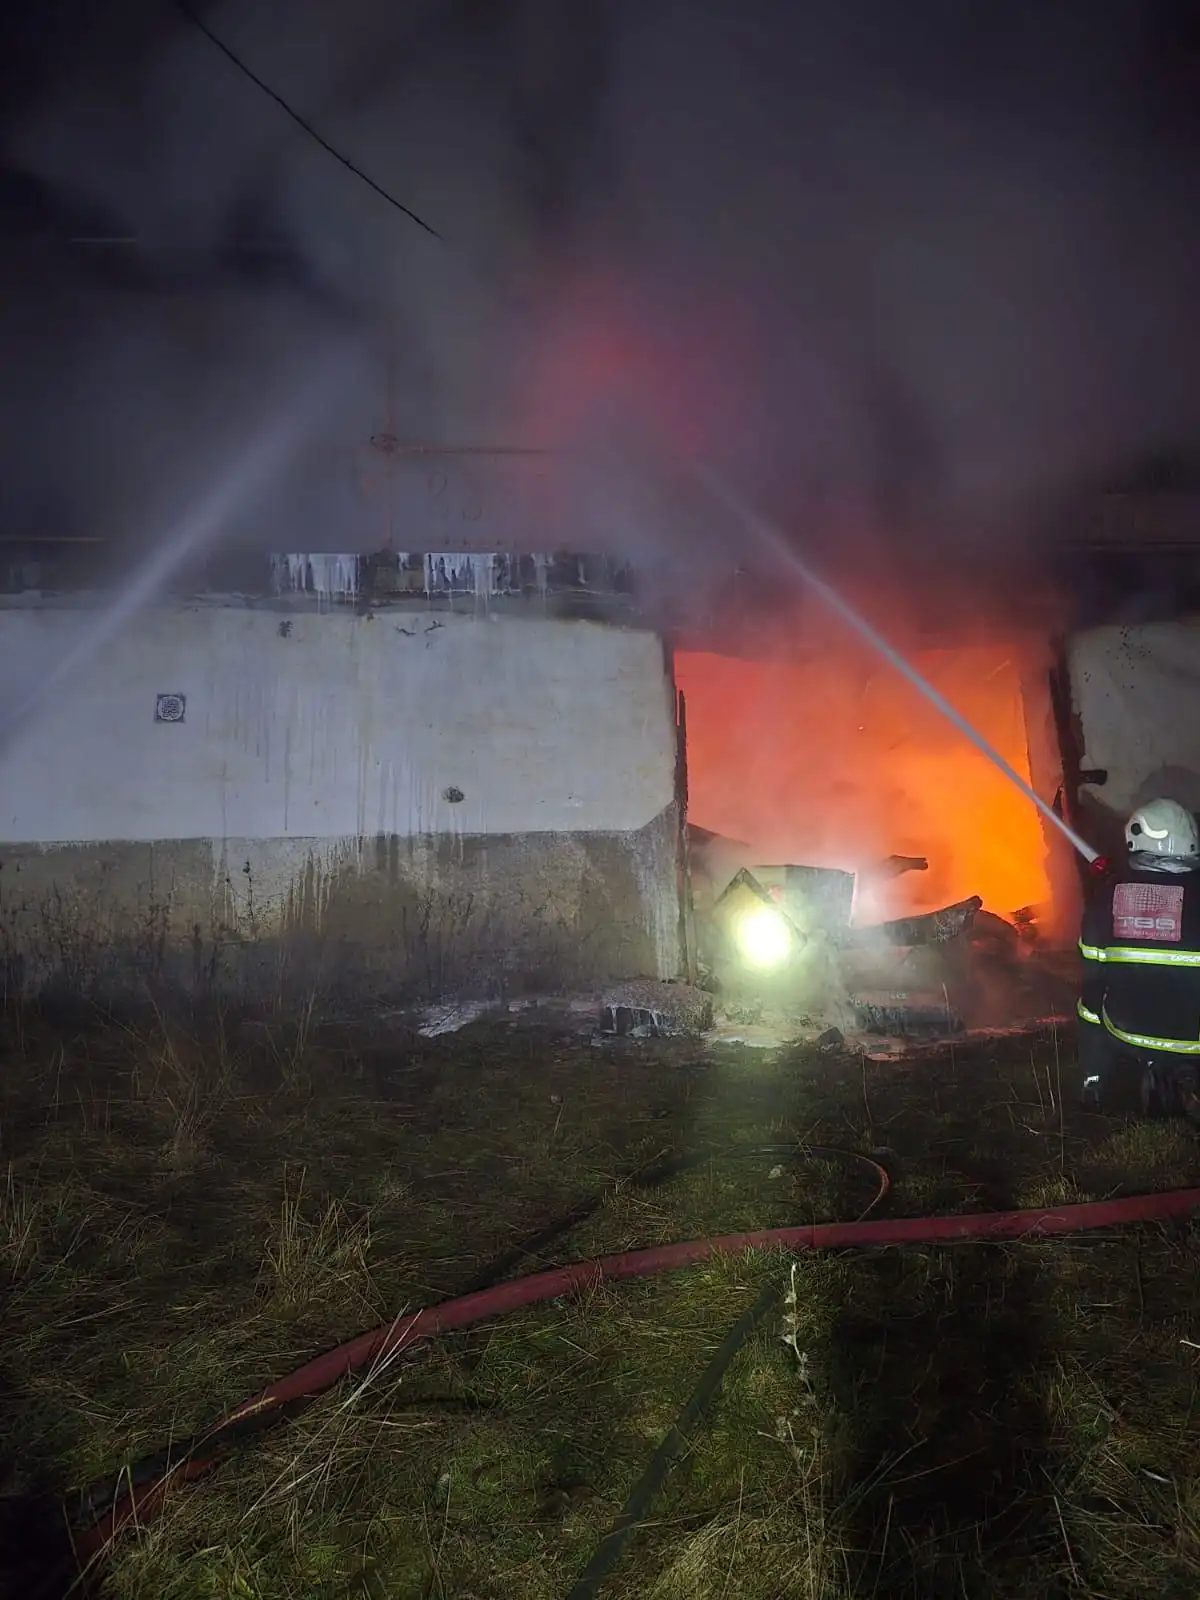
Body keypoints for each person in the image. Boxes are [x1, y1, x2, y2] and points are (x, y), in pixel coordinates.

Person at [1079, 797, 1200, 1118]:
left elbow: (1091, 978)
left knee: (1090, 1000)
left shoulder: (1106, 900)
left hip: (1127, 1033)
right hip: (1195, 1040)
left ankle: (1095, 1083)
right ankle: (1182, 1074)